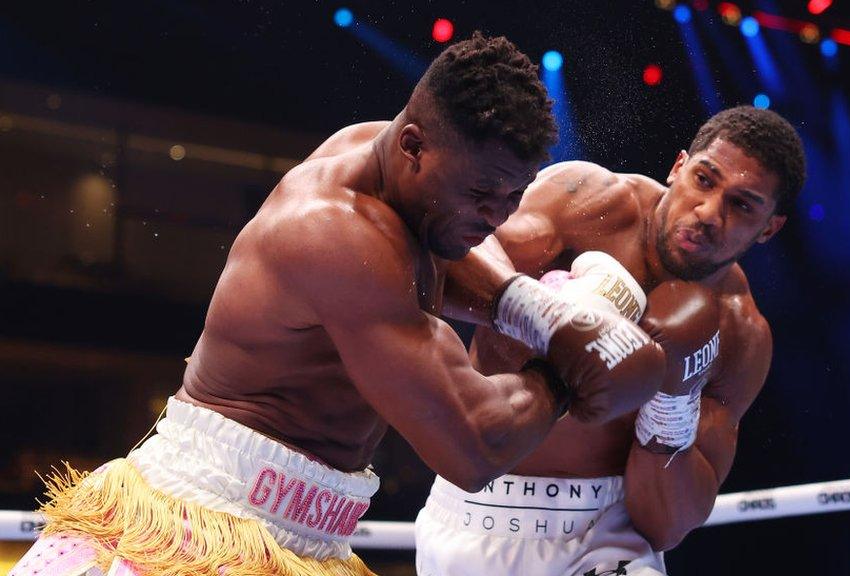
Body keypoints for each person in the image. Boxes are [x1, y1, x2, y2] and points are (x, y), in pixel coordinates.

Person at [10, 33, 667, 576]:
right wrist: (569, 369)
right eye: (483, 194)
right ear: (414, 147)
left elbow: (451, 251)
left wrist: (536, 311)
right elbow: (471, 447)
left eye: (514, 195)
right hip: (195, 527)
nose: (497, 218)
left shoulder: (390, 166)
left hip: (311, 540)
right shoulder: (336, 234)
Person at [415, 105, 807, 576]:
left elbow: (667, 526)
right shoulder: (588, 203)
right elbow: (443, 251)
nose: (708, 213)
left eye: (742, 205)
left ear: (769, 227)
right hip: (477, 507)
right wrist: (548, 315)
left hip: (609, 533)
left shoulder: (738, 331)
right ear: (678, 167)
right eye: (704, 180)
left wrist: (673, 403)